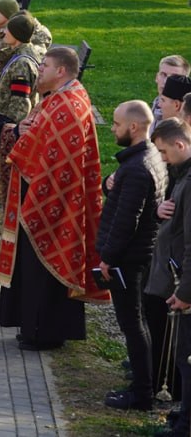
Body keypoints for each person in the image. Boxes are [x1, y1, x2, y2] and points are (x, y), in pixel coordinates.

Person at [0, 46, 108, 351]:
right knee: (30, 267)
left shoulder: (68, 104)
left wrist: (15, 134)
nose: (39, 70)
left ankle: (44, 331)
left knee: (42, 268)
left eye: (44, 66)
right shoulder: (60, 98)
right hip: (42, 193)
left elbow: (54, 157)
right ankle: (31, 325)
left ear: (61, 71)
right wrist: (17, 131)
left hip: (53, 201)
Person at [95, 101, 166, 410]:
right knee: (138, 323)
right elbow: (125, 196)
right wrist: (109, 185)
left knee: (133, 325)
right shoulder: (146, 158)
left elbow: (128, 220)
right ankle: (143, 384)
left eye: (116, 123)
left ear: (133, 127)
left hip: (129, 259)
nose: (113, 128)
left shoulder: (137, 169)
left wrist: (108, 258)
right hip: (139, 254)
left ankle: (141, 393)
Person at [0, 13, 40, 225]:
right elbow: (5, 91)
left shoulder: (21, 63)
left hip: (9, 129)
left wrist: (9, 131)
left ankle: (8, 223)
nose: (4, 32)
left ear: (17, 35)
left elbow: (21, 102)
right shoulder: (16, 55)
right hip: (3, 122)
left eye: (8, 30)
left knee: (7, 176)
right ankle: (4, 213)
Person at [148, 118, 191, 435]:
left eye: (163, 153)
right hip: (177, 278)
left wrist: (186, 291)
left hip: (185, 285)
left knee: (186, 358)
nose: (162, 160)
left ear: (180, 144)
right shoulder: (182, 175)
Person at [154, 56, 191, 121]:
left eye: (174, 77)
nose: (166, 81)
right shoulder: (154, 106)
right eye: (163, 74)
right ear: (157, 77)